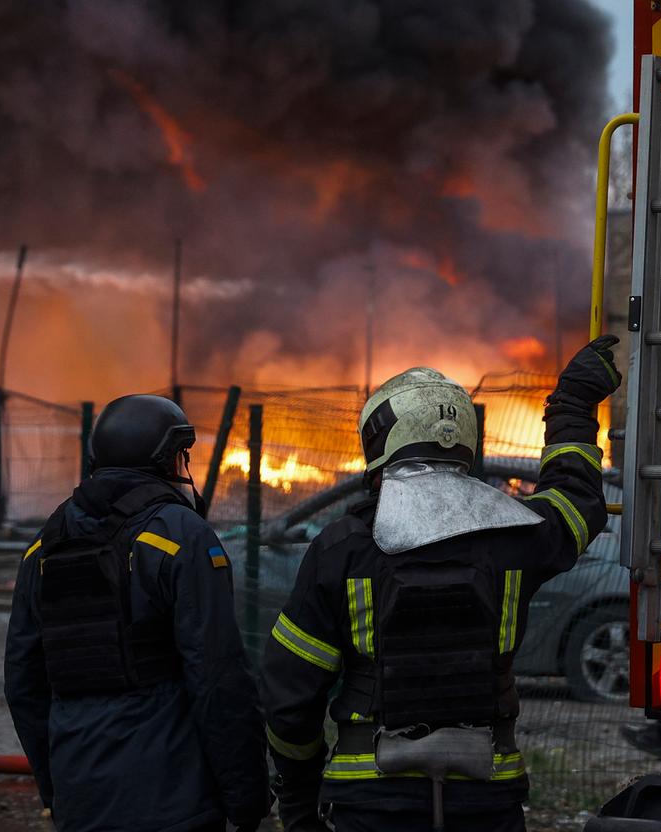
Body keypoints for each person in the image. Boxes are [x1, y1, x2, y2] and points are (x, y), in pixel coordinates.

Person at [260, 338, 621, 832]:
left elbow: (290, 698)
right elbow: (577, 498)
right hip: (485, 798)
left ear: (379, 441)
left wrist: (299, 801)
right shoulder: (515, 536)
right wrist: (573, 404)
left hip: (370, 800)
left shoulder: (342, 547)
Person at [4, 392, 271, 832]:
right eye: (180, 454)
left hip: (80, 797)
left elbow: (22, 681)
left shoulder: (44, 546)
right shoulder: (181, 535)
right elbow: (218, 678)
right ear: (166, 457)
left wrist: (57, 788)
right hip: (174, 799)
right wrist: (246, 797)